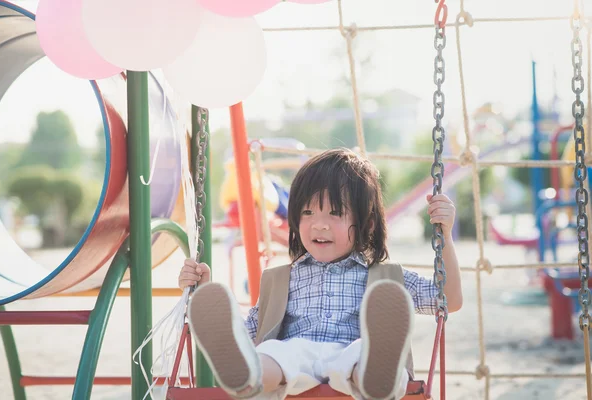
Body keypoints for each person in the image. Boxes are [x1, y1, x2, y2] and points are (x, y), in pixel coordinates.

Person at [178, 148, 463, 400]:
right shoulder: (282, 279)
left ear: (369, 224)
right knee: (273, 353)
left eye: (335, 214)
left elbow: (447, 300)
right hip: (297, 353)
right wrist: (202, 294)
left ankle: (378, 378)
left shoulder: (386, 279)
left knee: (365, 353)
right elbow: (249, 331)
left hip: (355, 350)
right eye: (308, 213)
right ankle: (245, 376)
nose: (319, 225)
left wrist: (445, 237)